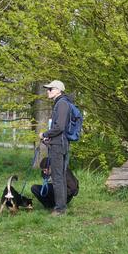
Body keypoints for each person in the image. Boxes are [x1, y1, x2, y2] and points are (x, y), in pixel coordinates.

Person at [39, 80, 71, 216]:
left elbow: (59, 127)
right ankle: (61, 206)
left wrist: (45, 134)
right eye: (48, 89)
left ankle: (60, 209)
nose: (48, 91)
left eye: (50, 89)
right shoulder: (59, 103)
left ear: (58, 90)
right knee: (60, 177)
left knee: (57, 177)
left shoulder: (62, 104)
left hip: (58, 146)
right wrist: (49, 138)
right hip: (58, 143)